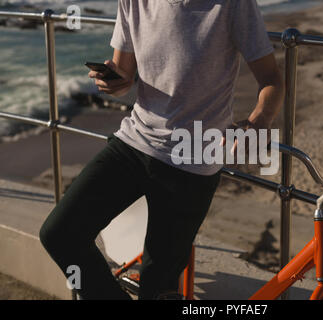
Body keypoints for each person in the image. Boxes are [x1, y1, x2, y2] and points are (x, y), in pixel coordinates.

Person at [39, 0, 285, 300]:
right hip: (134, 142)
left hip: (193, 160)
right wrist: (112, 80)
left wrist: (258, 121)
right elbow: (124, 72)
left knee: (157, 287)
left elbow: (271, 79)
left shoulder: (233, 5)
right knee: (60, 234)